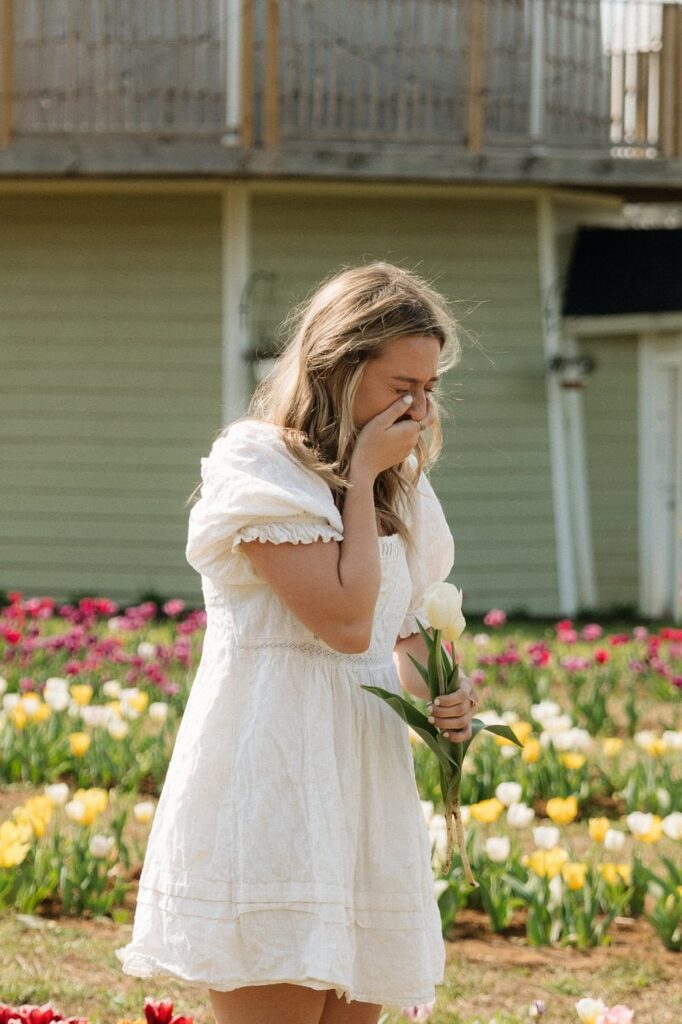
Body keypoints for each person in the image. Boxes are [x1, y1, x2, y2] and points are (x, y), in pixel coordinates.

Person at [116, 261, 480, 1024]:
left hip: (362, 784)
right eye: (399, 387)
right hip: (275, 773)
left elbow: (395, 638)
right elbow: (347, 624)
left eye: (428, 389)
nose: (417, 409)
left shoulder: (400, 488)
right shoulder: (261, 468)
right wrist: (356, 483)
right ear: (341, 368)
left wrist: (444, 699)